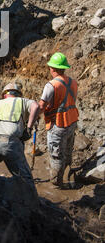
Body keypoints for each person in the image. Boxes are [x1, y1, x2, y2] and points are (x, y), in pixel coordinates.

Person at [0, 82, 39, 190]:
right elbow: (36, 106)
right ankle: (32, 203)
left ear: (4, 95)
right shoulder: (22, 101)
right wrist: (29, 128)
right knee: (24, 178)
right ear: (19, 94)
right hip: (9, 141)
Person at [39, 52, 78, 188]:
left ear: (53, 68)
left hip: (58, 124)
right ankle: (67, 175)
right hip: (72, 121)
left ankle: (56, 183)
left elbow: (42, 105)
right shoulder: (73, 82)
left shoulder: (51, 85)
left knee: (56, 154)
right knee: (67, 149)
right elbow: (69, 100)